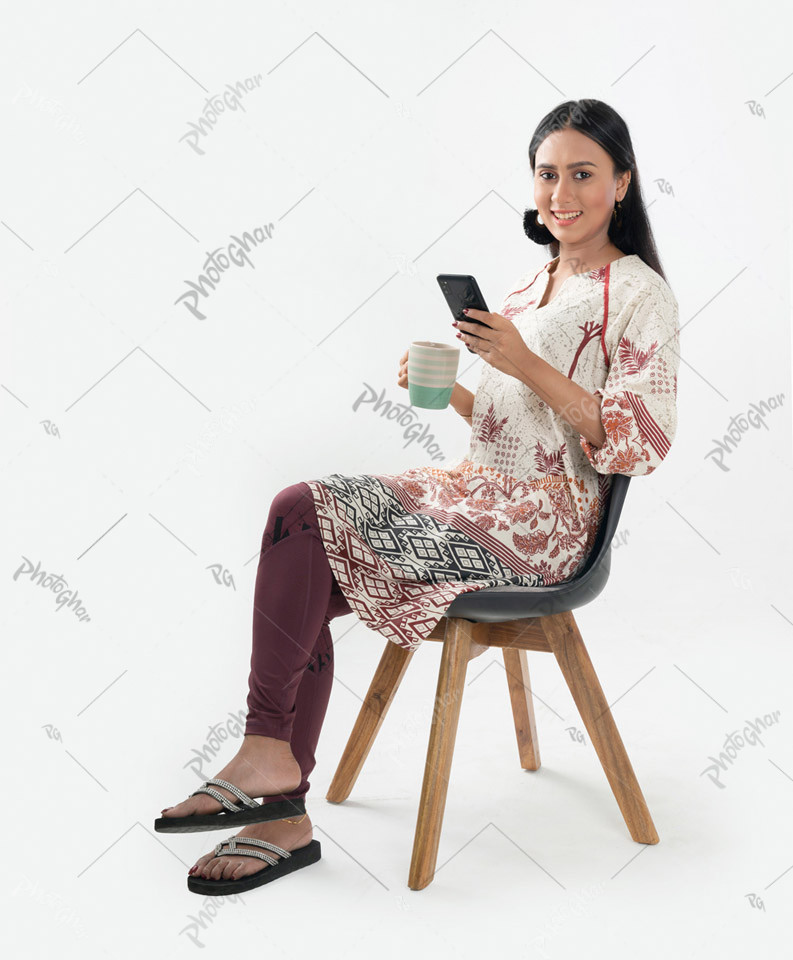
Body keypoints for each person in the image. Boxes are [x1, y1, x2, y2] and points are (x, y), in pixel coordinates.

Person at [155, 98, 681, 895]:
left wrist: (520, 363)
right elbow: (514, 418)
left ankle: (271, 763)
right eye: (546, 174)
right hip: (479, 491)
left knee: (307, 514)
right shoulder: (529, 282)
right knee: (301, 534)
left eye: (582, 173)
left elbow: (640, 444)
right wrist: (452, 395)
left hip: (549, 523)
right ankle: (284, 804)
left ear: (621, 182)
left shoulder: (639, 293)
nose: (560, 193)